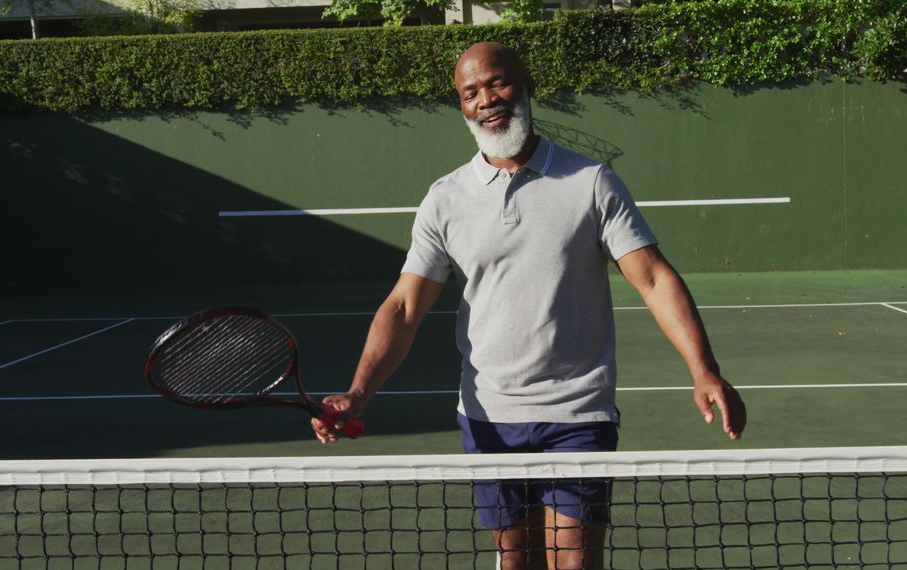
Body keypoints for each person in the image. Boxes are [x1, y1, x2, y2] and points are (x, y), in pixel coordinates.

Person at [312, 41, 746, 570]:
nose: (486, 100)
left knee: (573, 560)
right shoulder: (445, 199)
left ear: (527, 86)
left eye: (497, 83)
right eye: (470, 93)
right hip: (488, 415)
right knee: (516, 560)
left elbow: (653, 279)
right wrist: (359, 390)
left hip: (577, 410)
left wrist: (705, 370)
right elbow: (404, 307)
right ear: (462, 107)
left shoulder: (591, 182)